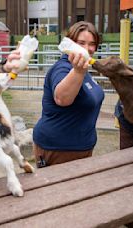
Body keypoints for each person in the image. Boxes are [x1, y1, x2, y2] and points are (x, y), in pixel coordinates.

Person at [32, 21, 104, 167]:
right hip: (58, 148)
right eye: (81, 43)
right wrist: (78, 72)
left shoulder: (83, 67)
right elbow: (62, 98)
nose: (87, 48)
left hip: (83, 147)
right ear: (70, 43)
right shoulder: (62, 68)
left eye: (92, 43)